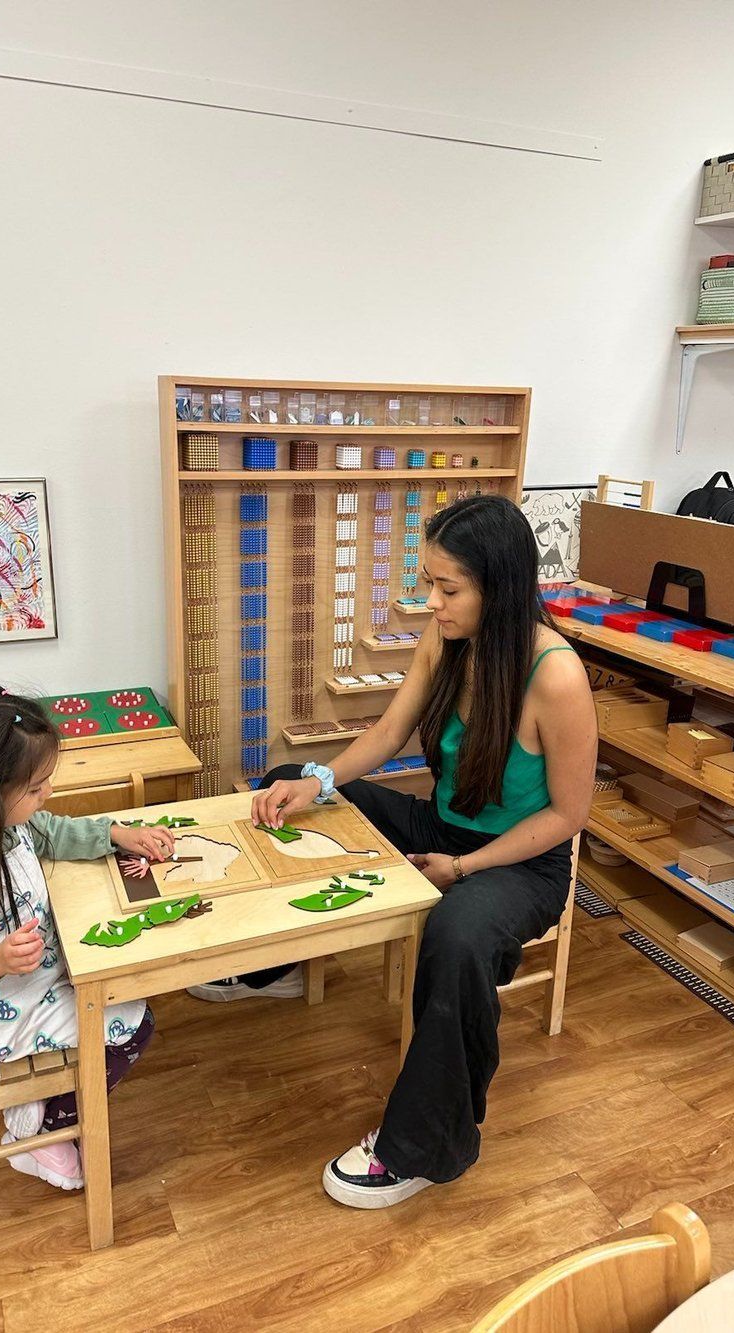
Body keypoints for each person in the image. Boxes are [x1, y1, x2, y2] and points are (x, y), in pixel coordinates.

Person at [192, 495, 597, 1207]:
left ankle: (423, 1144)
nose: (431, 602)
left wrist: (465, 869)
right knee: (281, 782)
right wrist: (316, 780)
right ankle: (275, 969)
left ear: (498, 587)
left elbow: (568, 814)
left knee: (459, 930)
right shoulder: (445, 642)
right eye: (429, 583)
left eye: (448, 589)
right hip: (439, 829)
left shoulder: (556, 676)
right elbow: (386, 734)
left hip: (517, 862)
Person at [0, 687, 176, 1191]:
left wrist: (115, 833)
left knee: (125, 990)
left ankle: (48, 1102)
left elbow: (48, 832)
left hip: (33, 987)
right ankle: (47, 1126)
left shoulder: (5, 824)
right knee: (135, 1024)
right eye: (36, 787)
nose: (46, 794)